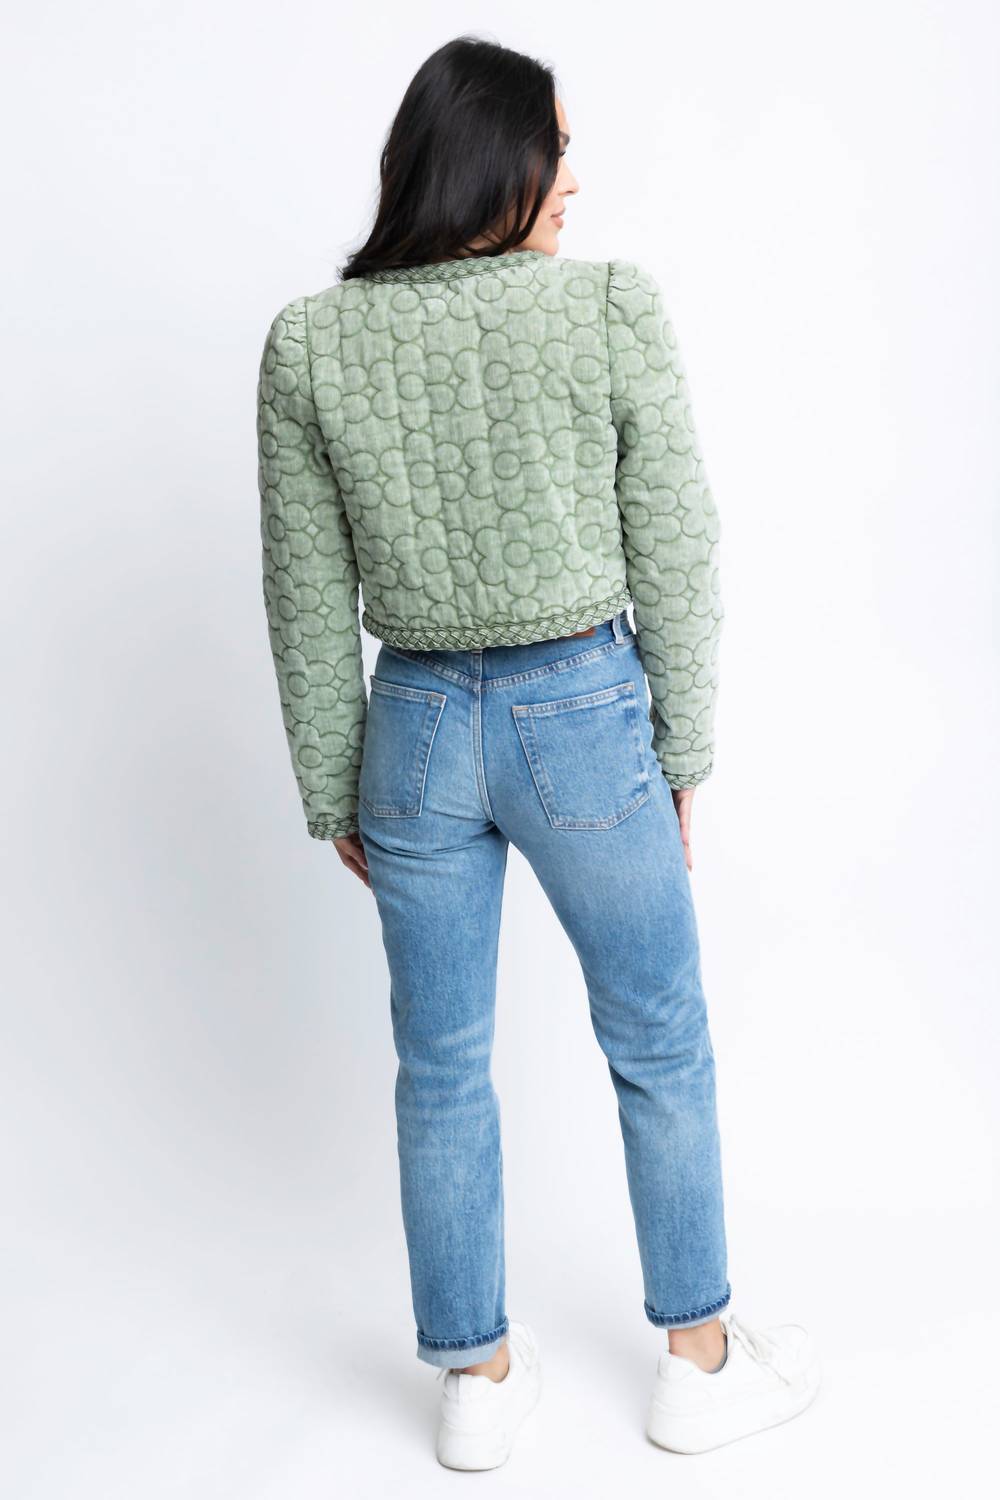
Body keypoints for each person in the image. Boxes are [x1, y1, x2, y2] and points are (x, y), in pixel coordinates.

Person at [256, 34, 821, 1470]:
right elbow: (675, 542)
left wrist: (334, 781)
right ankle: (699, 1362)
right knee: (658, 1035)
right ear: (491, 158)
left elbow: (306, 594)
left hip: (415, 732)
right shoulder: (611, 310)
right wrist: (680, 748)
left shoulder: (311, 344)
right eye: (557, 149)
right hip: (581, 716)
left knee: (439, 1066)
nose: (574, 178)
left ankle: (477, 1381)